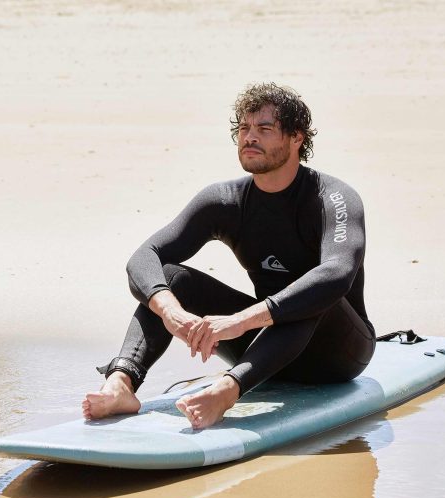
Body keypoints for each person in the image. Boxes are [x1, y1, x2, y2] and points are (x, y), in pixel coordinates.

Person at [82, 83, 375, 429]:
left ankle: (226, 390)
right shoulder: (225, 201)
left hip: (338, 355)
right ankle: (121, 384)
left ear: (296, 138)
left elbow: (336, 275)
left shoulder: (333, 199)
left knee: (311, 292)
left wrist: (237, 322)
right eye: (244, 128)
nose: (250, 137)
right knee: (173, 278)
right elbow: (144, 257)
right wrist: (171, 311)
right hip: (267, 351)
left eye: (264, 129)